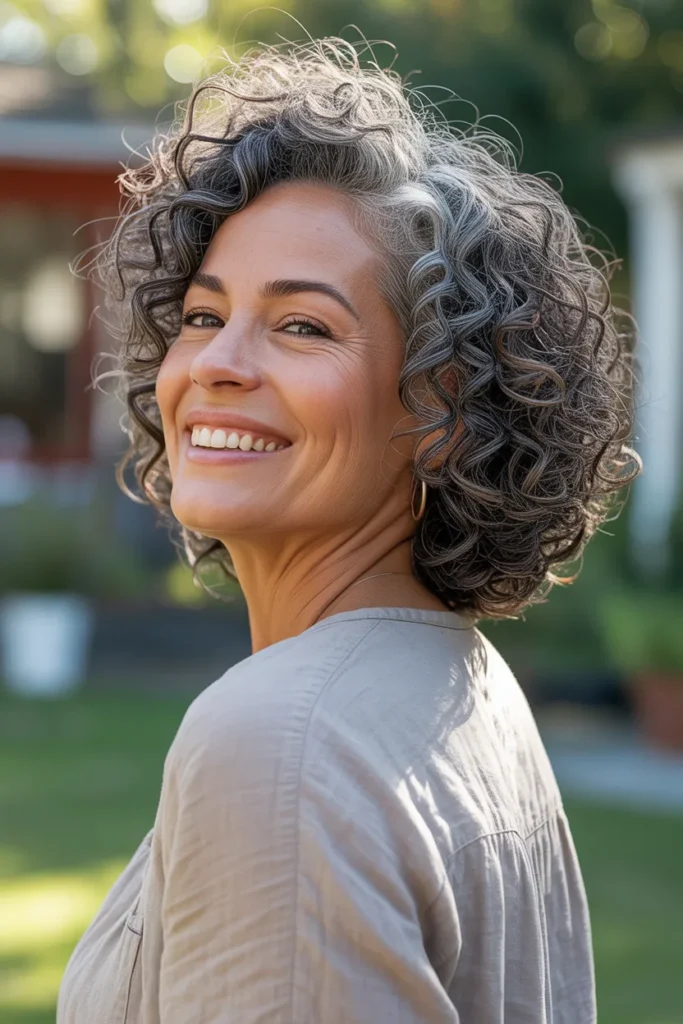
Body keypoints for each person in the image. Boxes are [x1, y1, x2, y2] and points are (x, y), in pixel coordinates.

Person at [57, 34, 640, 1024]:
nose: (217, 364)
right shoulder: (459, 686)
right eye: (203, 315)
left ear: (444, 412)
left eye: (303, 326)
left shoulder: (279, 742)